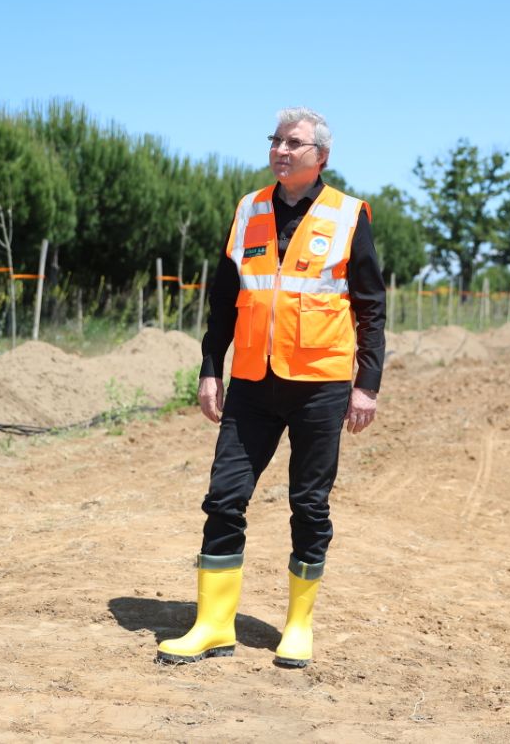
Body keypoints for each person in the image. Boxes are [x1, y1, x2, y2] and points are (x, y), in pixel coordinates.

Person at [156, 107, 386, 668]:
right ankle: (212, 625)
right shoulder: (249, 208)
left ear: (321, 157)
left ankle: (298, 626)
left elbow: (372, 308)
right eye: (275, 140)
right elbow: (223, 298)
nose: (281, 150)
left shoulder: (349, 215)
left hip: (320, 384)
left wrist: (366, 385)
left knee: (309, 504)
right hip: (253, 382)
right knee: (224, 497)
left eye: (295, 142)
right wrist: (212, 366)